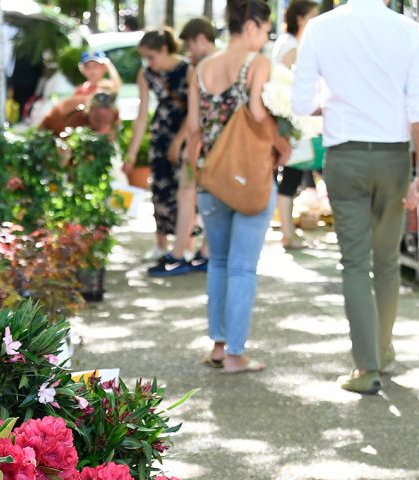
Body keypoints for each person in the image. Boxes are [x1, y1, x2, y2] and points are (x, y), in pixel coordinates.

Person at [292, 0, 419, 394]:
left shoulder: (321, 28)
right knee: (387, 262)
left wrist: (335, 102)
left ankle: (366, 368)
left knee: (354, 264)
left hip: (345, 155)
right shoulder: (409, 31)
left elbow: (301, 103)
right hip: (394, 158)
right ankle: (384, 353)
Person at [188, 0, 290, 373]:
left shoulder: (200, 68)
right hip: (249, 177)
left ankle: (217, 345)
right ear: (250, 26)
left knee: (217, 260)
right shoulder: (256, 63)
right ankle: (235, 354)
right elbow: (259, 114)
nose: (264, 39)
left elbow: (195, 127)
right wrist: (282, 143)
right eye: (264, 31)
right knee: (243, 267)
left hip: (211, 176)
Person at [148, 17, 217, 276]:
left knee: (192, 195)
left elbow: (196, 115)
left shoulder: (205, 66)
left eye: (188, 45)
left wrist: (187, 144)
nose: (187, 52)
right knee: (192, 195)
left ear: (200, 38)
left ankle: (184, 255)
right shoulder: (211, 64)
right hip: (204, 141)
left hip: (202, 142)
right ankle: (192, 253)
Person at [124, 29, 190, 261]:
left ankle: (185, 243)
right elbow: (141, 116)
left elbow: (194, 111)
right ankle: (161, 244)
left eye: (151, 56)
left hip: (186, 132)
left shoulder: (188, 69)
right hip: (161, 133)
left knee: (185, 189)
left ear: (164, 50)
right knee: (160, 190)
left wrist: (180, 140)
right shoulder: (146, 74)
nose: (148, 62)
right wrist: (131, 154)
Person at [272, 0, 319, 249]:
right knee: (290, 175)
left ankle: (288, 231)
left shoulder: (287, 41)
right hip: (291, 121)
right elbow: (290, 82)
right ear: (300, 18)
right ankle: (288, 233)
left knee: (291, 174)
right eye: (312, 15)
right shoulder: (291, 44)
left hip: (289, 118)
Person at [40, 90, 119, 138]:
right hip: (53, 128)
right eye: (97, 121)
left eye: (105, 122)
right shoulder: (74, 117)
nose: (101, 127)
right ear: (88, 112)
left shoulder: (115, 113)